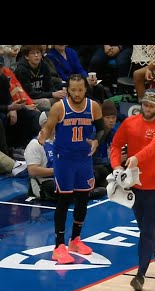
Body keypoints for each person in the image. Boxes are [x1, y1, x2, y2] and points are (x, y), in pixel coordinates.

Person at [37, 73, 105, 264]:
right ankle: (58, 246)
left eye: (80, 90)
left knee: (83, 199)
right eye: (73, 90)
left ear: (85, 89)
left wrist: (97, 140)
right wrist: (42, 137)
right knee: (64, 199)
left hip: (84, 159)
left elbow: (100, 128)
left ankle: (75, 240)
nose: (77, 93)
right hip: (64, 159)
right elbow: (49, 128)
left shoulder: (93, 106)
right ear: (67, 90)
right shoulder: (59, 107)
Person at [109, 88, 155, 291]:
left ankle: (141, 274)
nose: (147, 108)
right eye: (145, 104)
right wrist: (117, 165)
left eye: (151, 105)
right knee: (144, 226)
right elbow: (116, 145)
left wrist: (136, 158)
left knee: (146, 228)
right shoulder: (130, 123)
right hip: (135, 186)